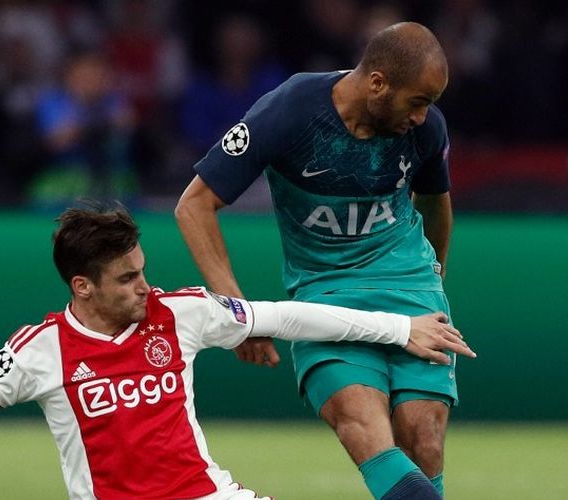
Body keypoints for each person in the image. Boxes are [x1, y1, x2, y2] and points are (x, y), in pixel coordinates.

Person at [0, 204, 475, 500]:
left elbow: (288, 315)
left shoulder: (179, 313)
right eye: (126, 279)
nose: (144, 287)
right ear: (83, 287)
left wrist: (399, 329)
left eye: (143, 271)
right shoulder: (40, 350)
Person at [175, 22, 458, 499]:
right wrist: (238, 312)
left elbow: (435, 201)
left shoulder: (427, 128)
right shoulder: (290, 111)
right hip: (326, 293)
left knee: (423, 440)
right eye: (416, 101)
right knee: (363, 426)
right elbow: (194, 204)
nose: (422, 116)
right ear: (377, 83)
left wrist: (433, 276)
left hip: (410, 284)